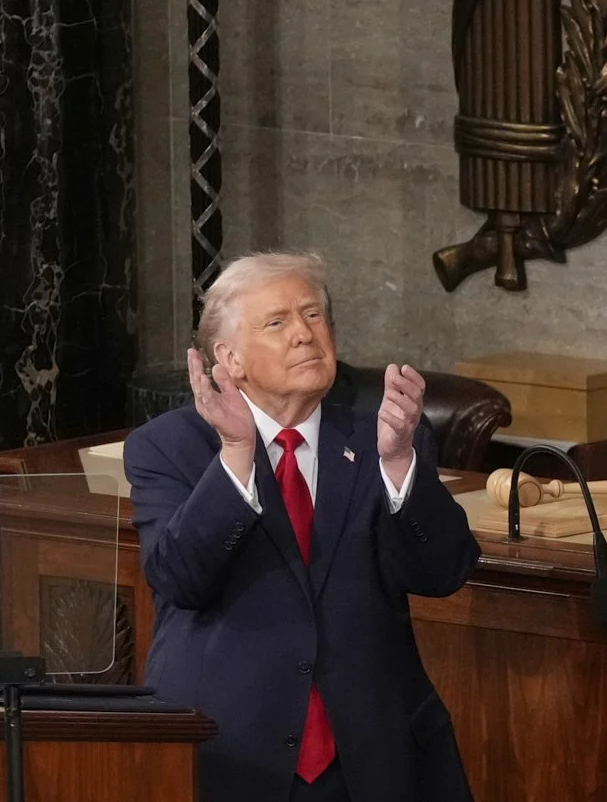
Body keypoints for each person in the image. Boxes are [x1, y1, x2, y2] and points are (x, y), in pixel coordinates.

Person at [124, 252, 479, 802]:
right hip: (228, 756)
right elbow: (180, 578)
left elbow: (444, 571)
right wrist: (238, 454)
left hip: (372, 759)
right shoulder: (170, 447)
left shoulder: (381, 439)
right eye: (278, 322)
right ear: (229, 359)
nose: (304, 335)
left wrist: (400, 464)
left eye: (314, 317)